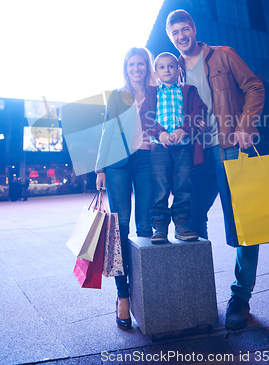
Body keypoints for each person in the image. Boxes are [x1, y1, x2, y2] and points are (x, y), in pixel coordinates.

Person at [166, 9, 265, 330]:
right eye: (174, 33)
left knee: (245, 224)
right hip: (195, 155)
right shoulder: (174, 70)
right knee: (190, 219)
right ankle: (201, 292)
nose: (181, 36)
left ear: (194, 28)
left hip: (229, 147)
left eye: (184, 29)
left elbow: (254, 87)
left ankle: (240, 298)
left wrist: (245, 124)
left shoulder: (223, 56)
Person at [95, 47, 156, 330]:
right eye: (132, 64)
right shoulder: (118, 96)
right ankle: (122, 296)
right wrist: (100, 168)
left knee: (145, 225)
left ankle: (146, 291)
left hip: (146, 160)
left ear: (147, 66)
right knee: (120, 227)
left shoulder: (157, 92)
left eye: (141, 64)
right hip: (118, 162)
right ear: (126, 67)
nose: (136, 68)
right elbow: (108, 129)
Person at [140, 52, 206, 243]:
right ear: (156, 72)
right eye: (162, 67)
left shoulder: (187, 90)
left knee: (183, 185)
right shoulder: (152, 93)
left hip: (183, 146)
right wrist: (159, 133)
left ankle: (182, 225)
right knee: (159, 186)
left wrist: (183, 130)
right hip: (160, 147)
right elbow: (145, 116)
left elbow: (199, 111)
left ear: (178, 70)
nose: (167, 69)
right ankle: (160, 226)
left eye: (171, 66)